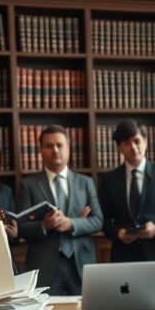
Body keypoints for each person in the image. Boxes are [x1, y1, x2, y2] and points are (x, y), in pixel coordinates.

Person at [97, 120, 155, 293]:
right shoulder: (108, 180)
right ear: (119, 147)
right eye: (126, 143)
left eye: (137, 141)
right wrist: (118, 233)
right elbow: (103, 220)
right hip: (124, 258)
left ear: (146, 142)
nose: (133, 147)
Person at [16, 125, 103, 295]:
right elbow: (20, 227)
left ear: (68, 148)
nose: (55, 150)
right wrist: (44, 225)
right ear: (41, 151)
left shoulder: (85, 183)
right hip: (45, 267)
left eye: (59, 145)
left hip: (81, 266)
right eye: (49, 146)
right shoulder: (28, 185)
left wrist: (71, 223)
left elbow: (98, 220)